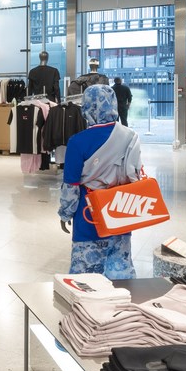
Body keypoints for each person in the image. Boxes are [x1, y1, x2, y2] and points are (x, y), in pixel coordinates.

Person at [58, 84, 143, 278]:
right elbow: (135, 175)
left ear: (86, 107)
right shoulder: (130, 136)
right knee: (119, 269)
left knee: (86, 274)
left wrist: (65, 214)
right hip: (121, 209)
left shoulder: (78, 141)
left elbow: (71, 186)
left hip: (89, 212)